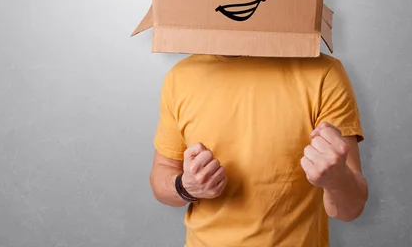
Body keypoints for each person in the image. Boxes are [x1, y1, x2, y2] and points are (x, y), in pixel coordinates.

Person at [149, 51, 368, 247]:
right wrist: (185, 186)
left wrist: (336, 179)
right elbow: (162, 174)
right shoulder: (181, 77)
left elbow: (351, 209)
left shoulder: (323, 72)